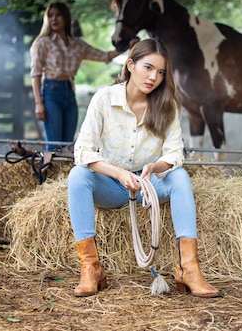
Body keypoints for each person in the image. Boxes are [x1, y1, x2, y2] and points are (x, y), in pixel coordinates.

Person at [66, 38, 219, 298]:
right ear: (130, 65)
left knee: (179, 176)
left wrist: (154, 166)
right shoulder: (104, 98)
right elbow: (83, 151)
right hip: (112, 185)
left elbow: (174, 154)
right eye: (147, 68)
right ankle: (91, 268)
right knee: (78, 175)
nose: (154, 77)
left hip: (149, 185)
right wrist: (118, 173)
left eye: (160, 72)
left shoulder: (167, 104)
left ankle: (188, 268)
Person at [30, 2, 122, 151]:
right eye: (50, 16)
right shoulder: (42, 43)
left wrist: (128, 46)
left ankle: (64, 175)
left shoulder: (77, 44)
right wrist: (38, 103)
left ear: (66, 18)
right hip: (51, 92)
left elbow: (105, 56)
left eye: (58, 15)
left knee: (68, 146)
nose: (54, 19)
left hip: (69, 92)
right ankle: (49, 174)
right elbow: (36, 74)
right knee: (54, 145)